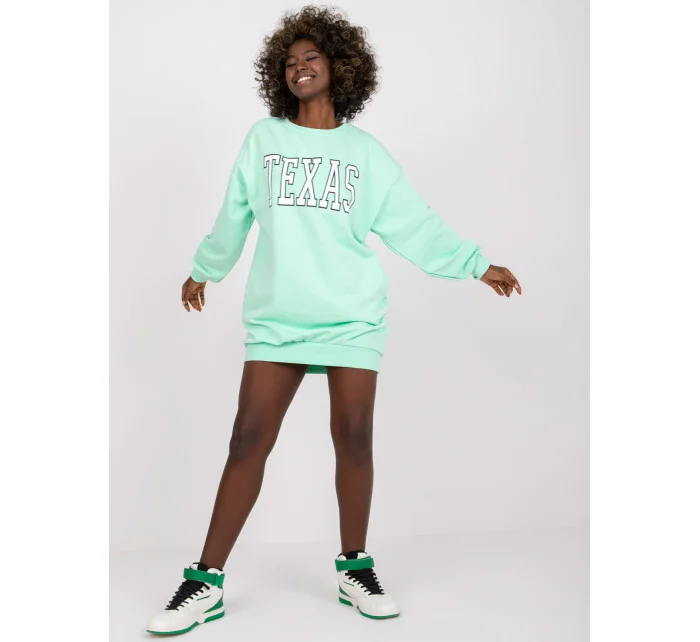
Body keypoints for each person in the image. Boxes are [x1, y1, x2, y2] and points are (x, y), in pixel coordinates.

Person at [146, 4, 521, 635]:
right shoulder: (264, 140)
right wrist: (205, 269)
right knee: (247, 441)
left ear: (339, 66)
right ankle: (204, 581)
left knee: (353, 438)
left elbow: (413, 222)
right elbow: (233, 217)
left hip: (351, 318)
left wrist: (476, 264)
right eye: (290, 62)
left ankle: (354, 568)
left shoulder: (364, 154)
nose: (299, 68)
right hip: (279, 319)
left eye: (311, 57)